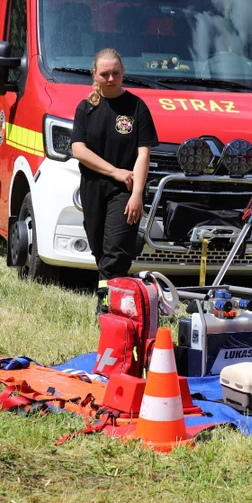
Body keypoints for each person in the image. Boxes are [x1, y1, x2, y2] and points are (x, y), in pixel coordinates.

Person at [70, 48, 158, 315]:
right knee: (98, 247)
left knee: (116, 250)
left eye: (115, 73)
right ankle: (115, 296)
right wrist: (114, 171)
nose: (110, 78)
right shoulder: (86, 109)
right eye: (105, 74)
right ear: (94, 74)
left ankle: (108, 305)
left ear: (123, 74)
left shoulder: (137, 107)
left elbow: (144, 154)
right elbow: (78, 150)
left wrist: (137, 194)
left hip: (126, 190)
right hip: (93, 187)